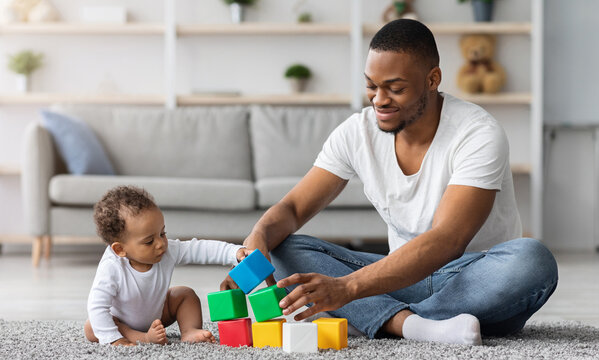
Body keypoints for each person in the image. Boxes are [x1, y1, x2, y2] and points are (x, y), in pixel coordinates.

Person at [221, 19, 558, 345]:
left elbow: (447, 240)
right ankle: (415, 326)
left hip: (472, 281)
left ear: (432, 79)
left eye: (395, 89)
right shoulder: (357, 133)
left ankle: (376, 319)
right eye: (371, 86)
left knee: (532, 260)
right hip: (394, 279)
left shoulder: (478, 133)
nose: (380, 99)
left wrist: (347, 290)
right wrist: (257, 239)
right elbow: (293, 208)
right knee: (283, 248)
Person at [84, 185, 249, 346]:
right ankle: (141, 338)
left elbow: (199, 248)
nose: (160, 244)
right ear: (120, 249)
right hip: (122, 322)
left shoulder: (166, 250)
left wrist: (233, 252)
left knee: (185, 294)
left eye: (162, 233)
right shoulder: (111, 268)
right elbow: (97, 305)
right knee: (92, 326)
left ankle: (189, 330)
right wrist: (113, 338)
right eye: (149, 241)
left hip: (158, 316)